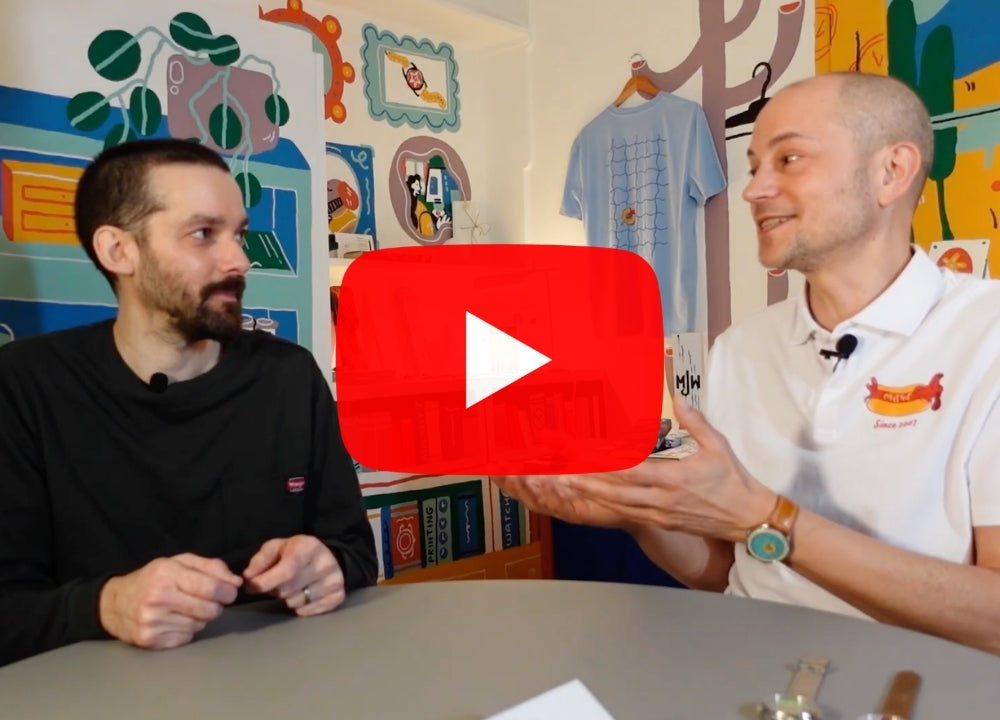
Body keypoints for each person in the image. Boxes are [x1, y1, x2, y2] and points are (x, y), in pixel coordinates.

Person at [497, 71, 1000, 655]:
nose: (753, 190)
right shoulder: (740, 350)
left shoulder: (985, 335)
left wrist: (767, 517)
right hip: (750, 675)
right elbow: (732, 575)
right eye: (755, 166)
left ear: (892, 171)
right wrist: (639, 514)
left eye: (789, 159)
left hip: (919, 687)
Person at [0, 139, 377, 666]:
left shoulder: (288, 377)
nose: (239, 260)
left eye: (239, 234)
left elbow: (355, 552)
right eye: (203, 234)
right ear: (118, 251)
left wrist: (328, 565)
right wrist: (107, 605)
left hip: (280, 684)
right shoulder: (26, 385)